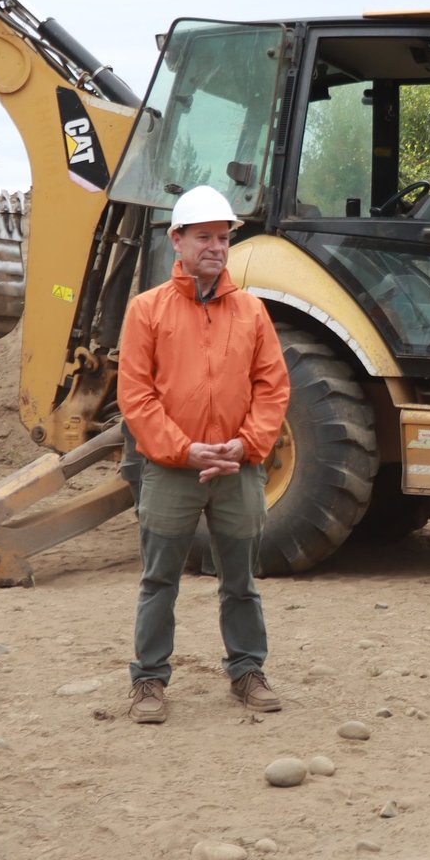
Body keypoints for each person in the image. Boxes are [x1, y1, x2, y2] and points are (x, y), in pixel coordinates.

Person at [119, 185, 291, 724]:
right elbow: (136, 396)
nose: (216, 247)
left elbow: (273, 388)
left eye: (223, 237)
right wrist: (185, 450)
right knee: (158, 580)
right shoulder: (146, 311)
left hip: (238, 468)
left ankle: (246, 671)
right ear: (177, 240)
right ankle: (148, 680)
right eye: (204, 237)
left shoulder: (252, 311)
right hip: (173, 471)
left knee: (240, 580)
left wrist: (246, 445)